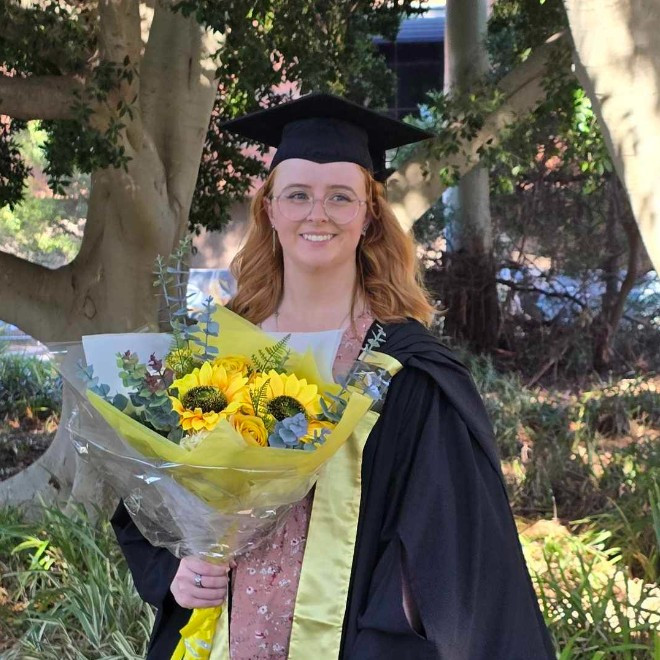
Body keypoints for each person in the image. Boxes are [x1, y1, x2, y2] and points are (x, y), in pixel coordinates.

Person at [112, 93, 555, 659]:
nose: (316, 214)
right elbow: (154, 495)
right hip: (219, 634)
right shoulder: (214, 351)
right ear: (270, 210)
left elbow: (444, 541)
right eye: (297, 195)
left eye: (340, 197)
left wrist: (385, 637)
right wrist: (178, 569)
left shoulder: (409, 370)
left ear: (369, 216)